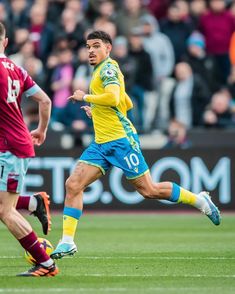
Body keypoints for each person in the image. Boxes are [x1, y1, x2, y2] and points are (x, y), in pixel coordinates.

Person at [51, 30, 221, 260]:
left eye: (96, 46)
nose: (90, 50)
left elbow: (113, 97)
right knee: (73, 184)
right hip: (101, 142)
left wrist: (86, 97)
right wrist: (99, 113)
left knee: (149, 190)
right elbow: (126, 102)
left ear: (108, 48)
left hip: (121, 141)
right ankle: (67, 241)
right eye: (88, 46)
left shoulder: (109, 69)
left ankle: (200, 200)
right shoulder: (100, 71)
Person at [0, 22, 58, 277]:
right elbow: (44, 100)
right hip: (17, 141)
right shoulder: (16, 68)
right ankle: (34, 203)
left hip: (9, 147)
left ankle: (45, 263)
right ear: (5, 41)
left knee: (5, 211)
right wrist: (41, 130)